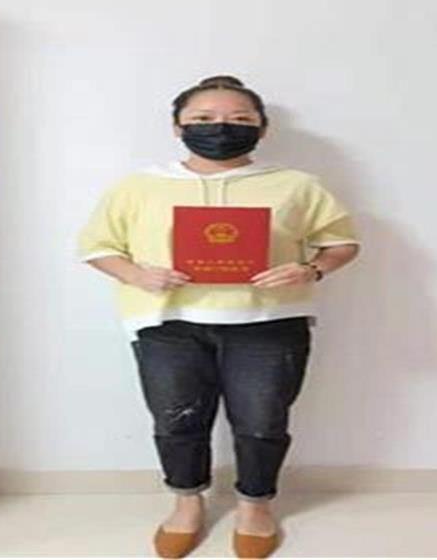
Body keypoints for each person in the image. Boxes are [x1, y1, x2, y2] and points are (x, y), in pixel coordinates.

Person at [76, 75, 361, 558]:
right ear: (177, 126)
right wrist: (137, 275)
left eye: (240, 118)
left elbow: (341, 243)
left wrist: (310, 269)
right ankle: (186, 503)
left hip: (269, 324)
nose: (221, 128)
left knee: (262, 422)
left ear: (262, 128)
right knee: (176, 420)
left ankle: (255, 506)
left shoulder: (297, 185)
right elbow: (97, 246)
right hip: (167, 324)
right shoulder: (139, 186)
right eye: (203, 118)